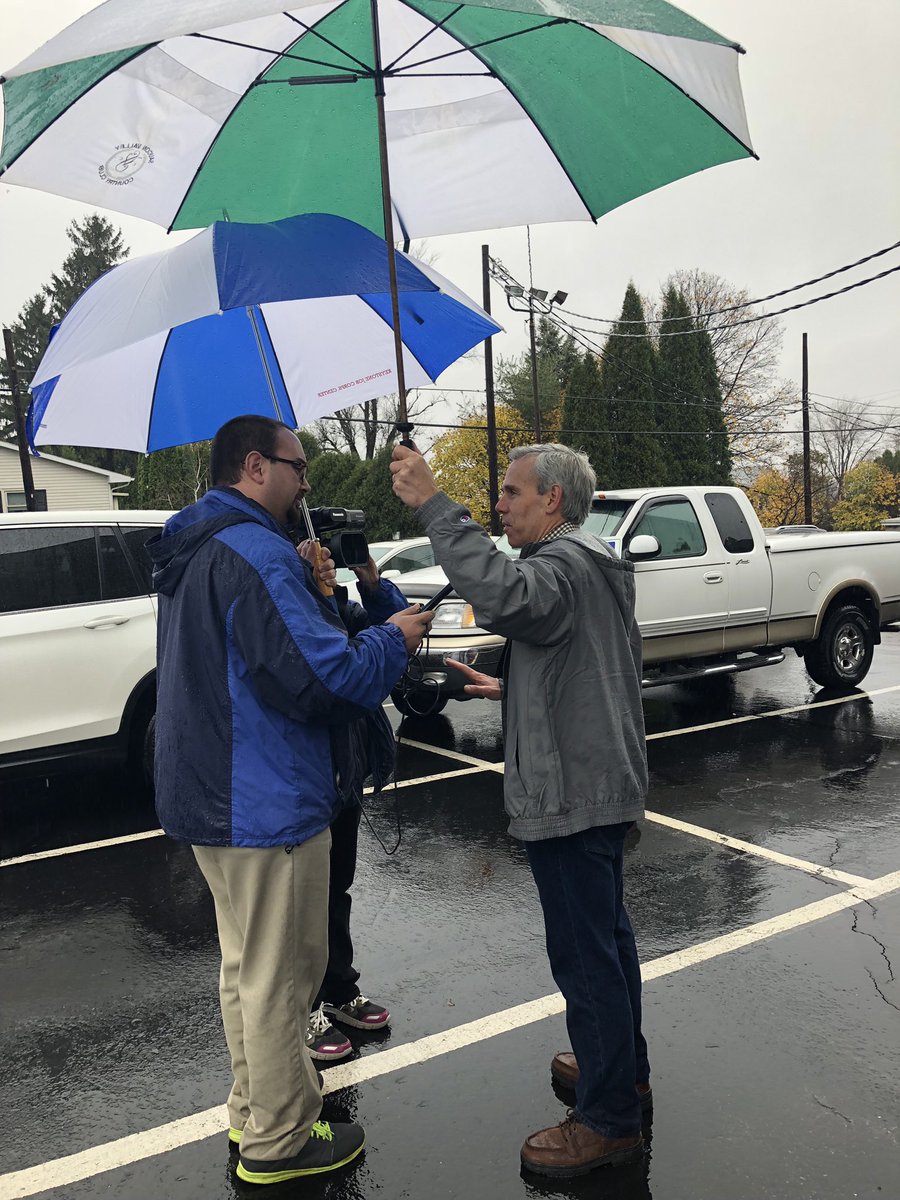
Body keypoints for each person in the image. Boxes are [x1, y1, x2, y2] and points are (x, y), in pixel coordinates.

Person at [149, 415, 432, 1186]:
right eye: (296, 465)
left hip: (211, 795)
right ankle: (279, 1141)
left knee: (247, 968)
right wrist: (393, 637)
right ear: (254, 465)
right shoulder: (254, 554)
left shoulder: (196, 545)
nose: (308, 480)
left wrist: (310, 594)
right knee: (282, 976)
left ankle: (255, 1112)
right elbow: (323, 680)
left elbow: (261, 659)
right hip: (265, 799)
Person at [390, 441, 650, 1179]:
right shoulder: (592, 562)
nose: (500, 504)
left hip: (572, 791)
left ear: (553, 501)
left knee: (585, 955)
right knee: (606, 940)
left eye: (511, 492)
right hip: (599, 782)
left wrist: (435, 504)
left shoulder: (561, 566)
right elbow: (587, 663)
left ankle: (606, 1119)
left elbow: (506, 595)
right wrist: (514, 688)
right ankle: (622, 1069)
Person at [299, 548, 399, 1064]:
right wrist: (315, 595)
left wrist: (372, 585)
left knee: (337, 889)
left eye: (327, 555)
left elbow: (397, 631)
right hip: (311, 777)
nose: (323, 563)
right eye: (311, 555)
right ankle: (306, 1008)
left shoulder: (339, 604)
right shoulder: (296, 607)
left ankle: (339, 991)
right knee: (305, 903)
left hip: (346, 773)